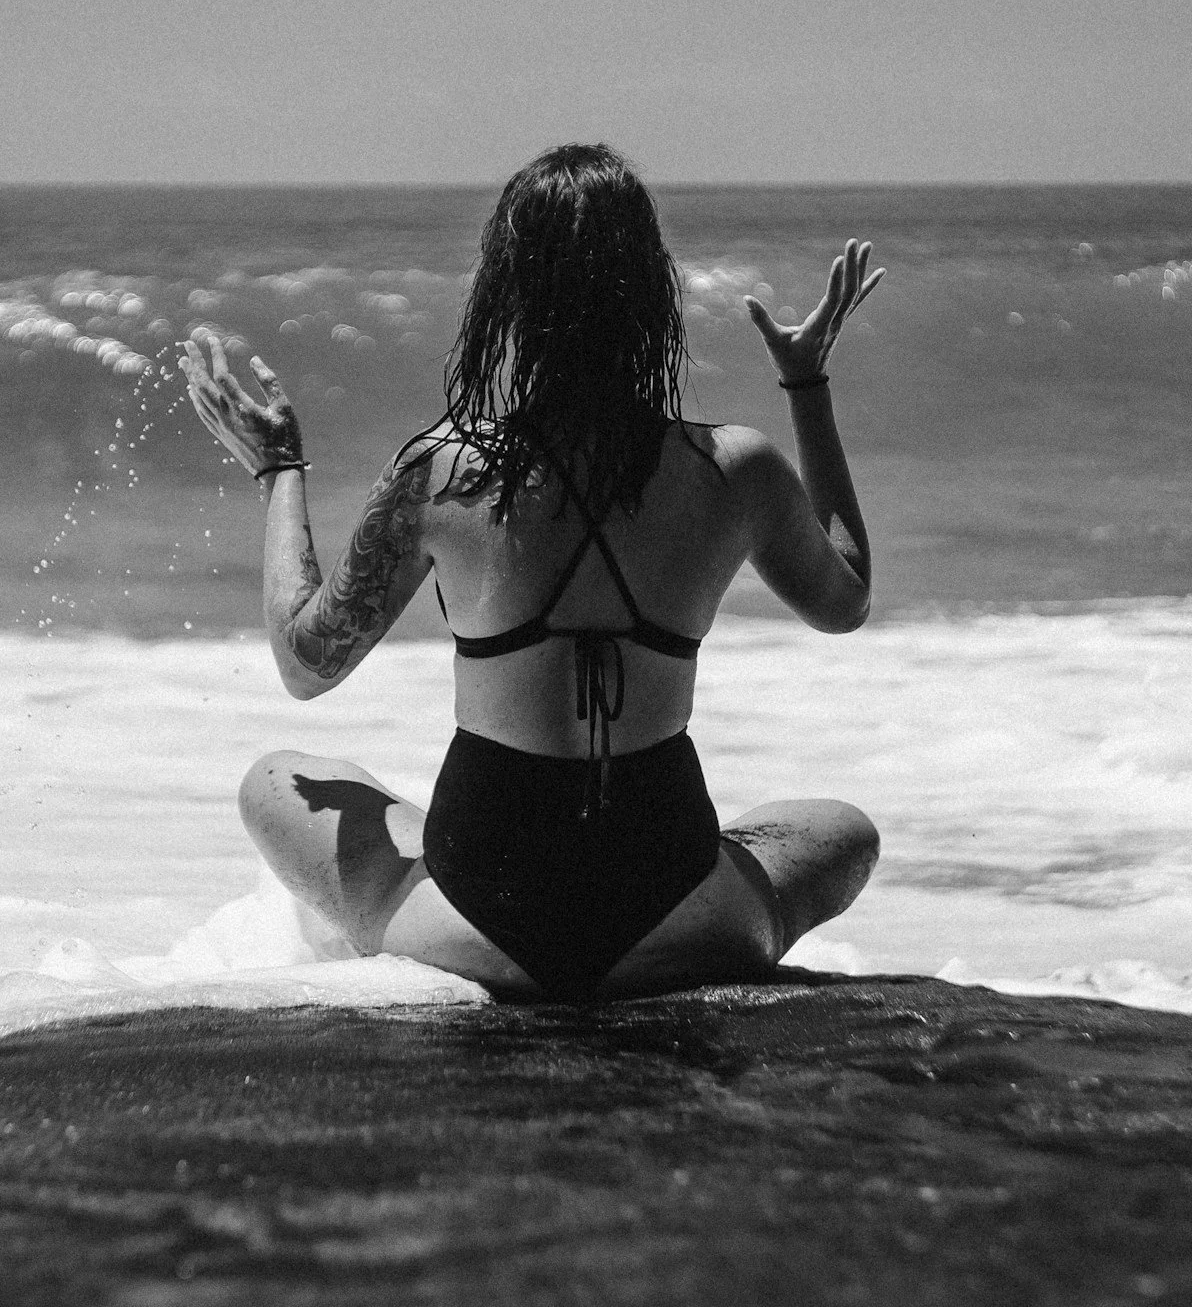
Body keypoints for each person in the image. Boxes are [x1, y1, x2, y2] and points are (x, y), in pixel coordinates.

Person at [178, 144, 883, 1002]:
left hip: (474, 928)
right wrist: (805, 384)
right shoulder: (736, 468)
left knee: (274, 779)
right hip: (684, 920)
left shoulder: (443, 471)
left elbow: (304, 663)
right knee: (842, 829)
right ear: (651, 293)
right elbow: (845, 599)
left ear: (506, 295)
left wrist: (279, 467)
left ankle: (410, 913)